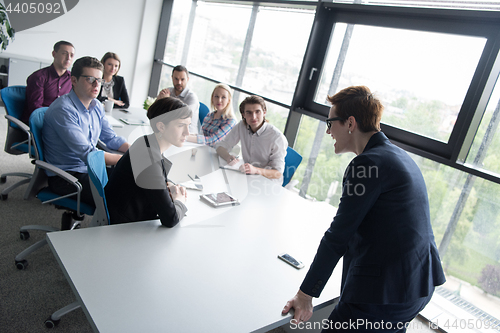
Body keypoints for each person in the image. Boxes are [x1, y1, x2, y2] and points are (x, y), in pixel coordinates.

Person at [282, 86, 446, 332]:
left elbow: (338, 236)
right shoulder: (399, 156)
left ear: (350, 123)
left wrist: (306, 293)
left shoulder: (367, 164)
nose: (328, 131)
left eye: (330, 123)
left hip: (384, 295)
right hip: (418, 284)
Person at [42, 56, 130, 209]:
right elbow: (89, 154)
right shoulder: (63, 110)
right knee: (123, 197)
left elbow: (110, 138)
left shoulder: (96, 105)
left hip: (89, 169)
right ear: (74, 80)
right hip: (67, 176)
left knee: (134, 182)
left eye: (99, 80)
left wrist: (137, 152)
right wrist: (128, 160)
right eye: (90, 79)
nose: (97, 85)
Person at [105, 97, 190, 226]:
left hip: (128, 212)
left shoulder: (147, 142)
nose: (187, 133)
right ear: (161, 126)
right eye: (181, 126)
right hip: (125, 227)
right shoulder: (149, 157)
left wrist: (168, 185)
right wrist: (180, 201)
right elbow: (170, 218)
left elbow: (155, 178)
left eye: (188, 126)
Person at [215, 95, 288, 183]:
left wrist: (256, 170)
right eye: (249, 112)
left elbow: (278, 173)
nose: (253, 117)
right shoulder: (242, 126)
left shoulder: (277, 137)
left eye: (257, 112)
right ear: (243, 115)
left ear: (264, 112)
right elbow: (220, 146)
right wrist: (228, 157)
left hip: (268, 184)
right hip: (247, 178)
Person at [21, 40, 75, 124]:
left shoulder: (72, 79)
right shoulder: (39, 77)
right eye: (64, 53)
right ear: (54, 54)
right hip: (39, 121)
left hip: (60, 121)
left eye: (71, 55)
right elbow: (36, 109)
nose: (68, 58)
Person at [157, 65, 199, 134]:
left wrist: (166, 101)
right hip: (170, 131)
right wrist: (159, 100)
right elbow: (155, 113)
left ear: (187, 79)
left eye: (182, 79)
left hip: (187, 135)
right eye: (176, 79)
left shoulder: (192, 97)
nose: (179, 82)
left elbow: (181, 118)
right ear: (172, 78)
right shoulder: (168, 91)